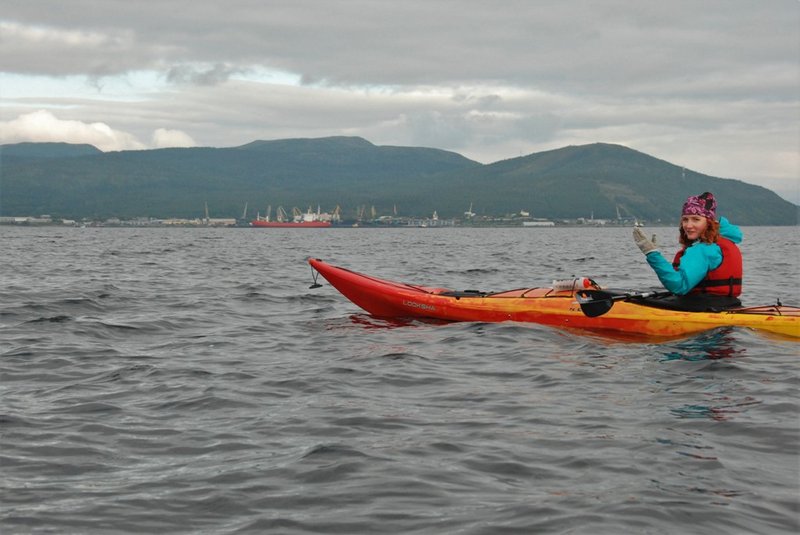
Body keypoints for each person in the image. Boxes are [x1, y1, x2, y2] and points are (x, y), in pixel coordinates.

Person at [632, 192, 743, 311]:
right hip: (728, 304)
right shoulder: (721, 242)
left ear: (709, 223)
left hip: (705, 306)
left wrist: (652, 254)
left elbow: (679, 286)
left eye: (696, 219)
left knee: (635, 301)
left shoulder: (703, 248)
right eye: (685, 220)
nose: (688, 225)